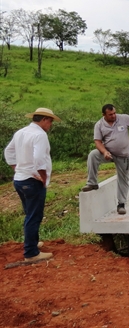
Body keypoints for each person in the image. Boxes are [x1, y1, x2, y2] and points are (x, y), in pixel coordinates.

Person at [4, 107, 61, 261]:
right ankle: (31, 253)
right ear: (44, 120)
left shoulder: (21, 132)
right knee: (34, 216)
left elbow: (8, 152)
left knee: (30, 214)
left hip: (20, 179)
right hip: (32, 181)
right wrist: (42, 176)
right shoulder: (39, 135)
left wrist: (17, 168)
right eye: (50, 122)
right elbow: (39, 159)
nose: (50, 125)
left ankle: (33, 243)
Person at [81, 104, 129, 215]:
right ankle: (92, 182)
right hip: (109, 153)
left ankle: (121, 204)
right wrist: (104, 152)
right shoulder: (99, 125)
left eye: (114, 113)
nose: (114, 115)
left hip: (124, 155)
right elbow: (98, 142)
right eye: (110, 114)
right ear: (104, 115)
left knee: (123, 179)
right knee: (93, 155)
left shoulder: (123, 118)